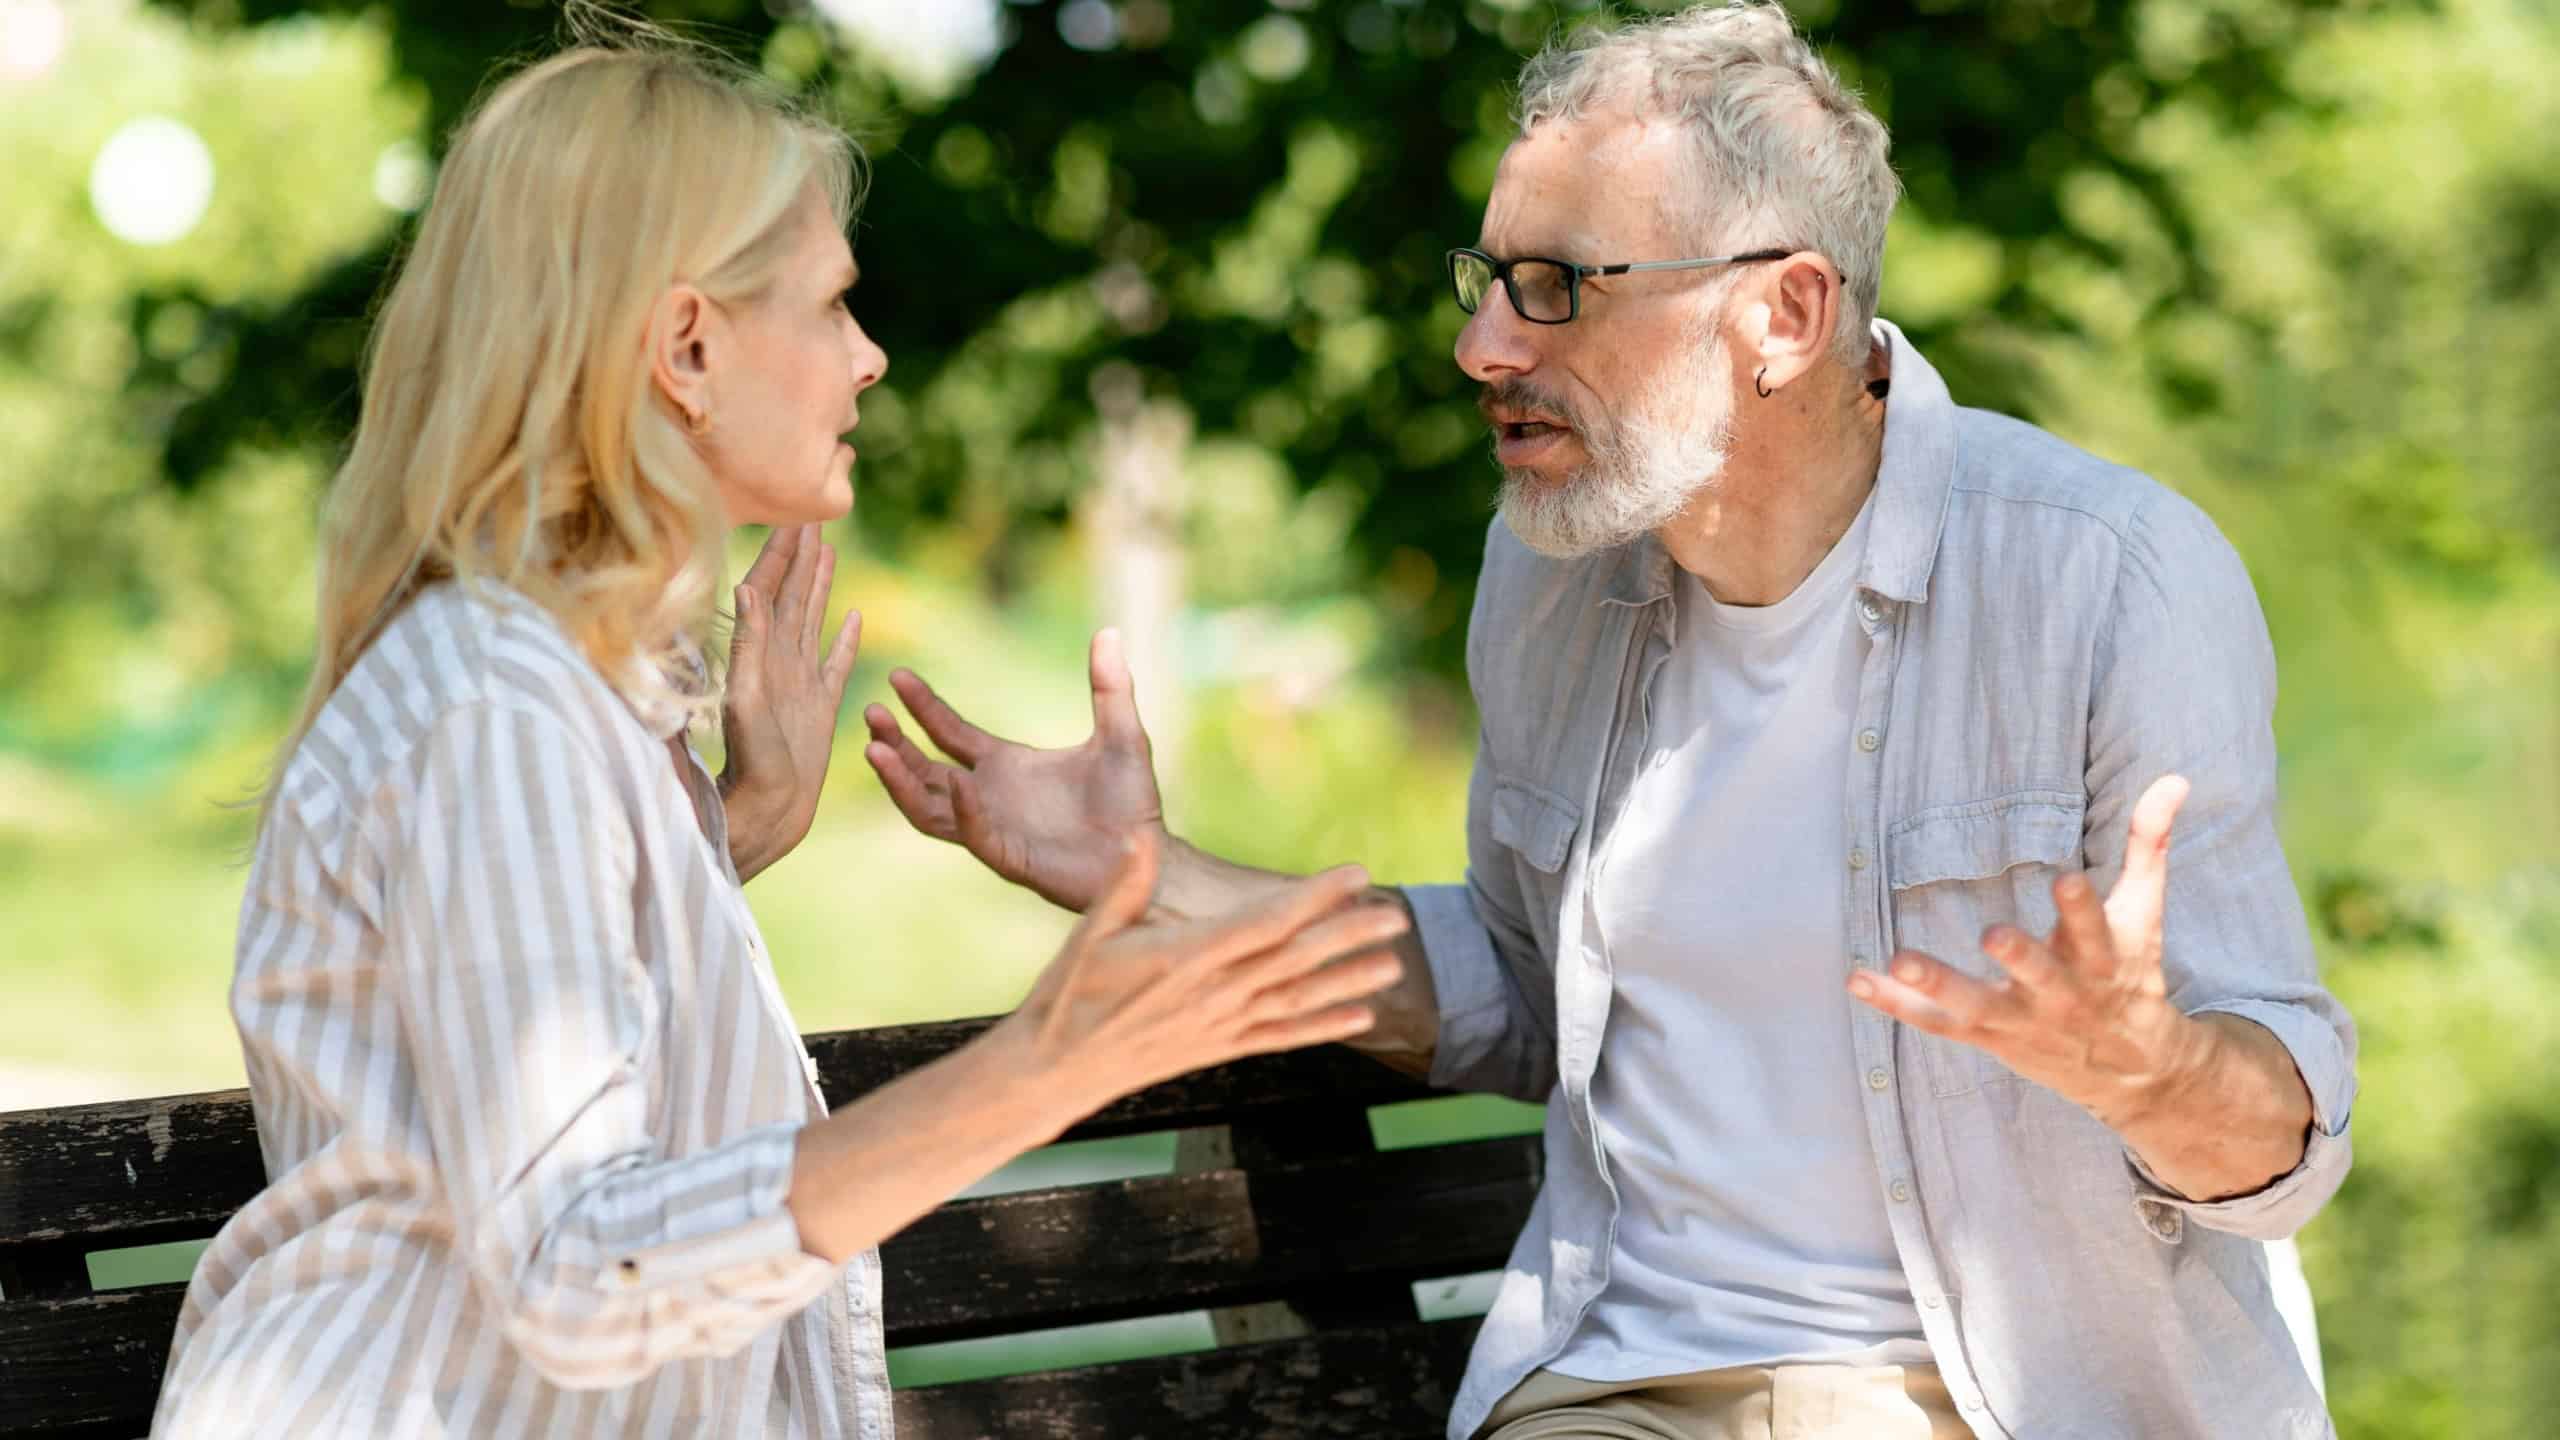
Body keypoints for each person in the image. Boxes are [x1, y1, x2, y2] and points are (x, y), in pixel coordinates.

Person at [861, 4, 2356, 1437]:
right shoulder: (1550, 568)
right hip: (1612, 1386)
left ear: (1782, 313)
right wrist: (1157, 878)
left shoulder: (2108, 580)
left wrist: (2151, 1075)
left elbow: (2287, 1142)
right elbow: (1522, 981)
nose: (1485, 350)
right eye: (1490, 279)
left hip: (1995, 1401)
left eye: (1561, 286)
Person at [149, 20, 1405, 1438]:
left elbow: (497, 1011)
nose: (866, 358)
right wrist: (1038, 1066)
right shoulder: (496, 708)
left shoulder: (557, 700)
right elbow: (580, 1271)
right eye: (829, 306)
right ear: (688, 344)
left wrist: (724, 831)